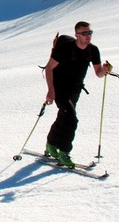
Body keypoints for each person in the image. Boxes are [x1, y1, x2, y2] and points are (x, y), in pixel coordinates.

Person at [43, 22, 112, 167]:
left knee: (64, 115)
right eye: (85, 33)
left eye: (90, 32)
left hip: (75, 89)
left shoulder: (93, 50)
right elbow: (49, 68)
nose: (88, 36)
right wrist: (50, 90)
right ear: (77, 35)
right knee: (71, 118)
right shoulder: (65, 48)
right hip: (59, 87)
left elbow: (98, 73)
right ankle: (64, 152)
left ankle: (51, 144)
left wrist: (104, 70)